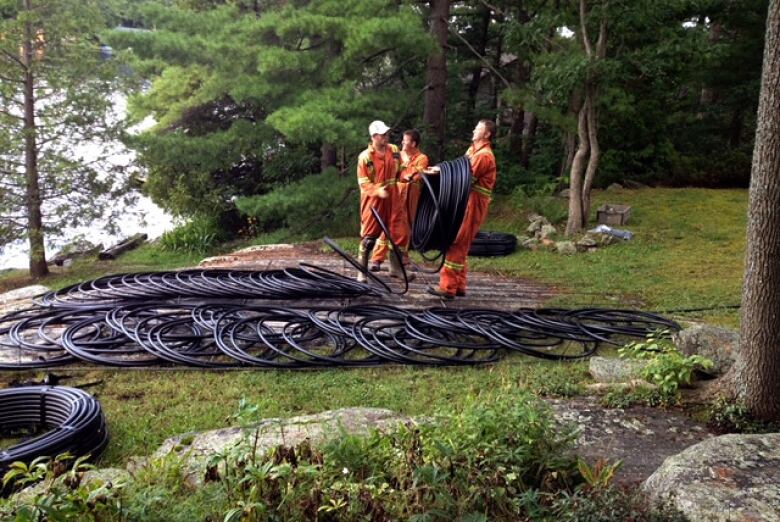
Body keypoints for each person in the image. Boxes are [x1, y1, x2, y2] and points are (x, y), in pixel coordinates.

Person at [427, 119, 497, 299]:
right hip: (468, 201)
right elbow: (458, 168)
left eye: (478, 128)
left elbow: (463, 177)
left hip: (474, 203)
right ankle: (459, 286)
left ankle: (447, 287)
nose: (474, 130)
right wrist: (438, 170)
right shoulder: (473, 151)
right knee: (462, 243)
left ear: (487, 134)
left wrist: (438, 173)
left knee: (457, 241)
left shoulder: (484, 156)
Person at [370, 129, 429, 277]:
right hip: (396, 194)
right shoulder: (398, 154)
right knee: (386, 226)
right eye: (402, 139)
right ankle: (377, 259)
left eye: (406, 140)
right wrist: (405, 174)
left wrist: (409, 175)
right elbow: (397, 171)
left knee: (406, 227)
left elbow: (416, 174)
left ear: (413, 143)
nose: (402, 142)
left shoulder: (422, 158)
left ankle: (402, 260)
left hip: (411, 197)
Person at [355, 120, 400, 282]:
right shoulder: (365, 158)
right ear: (374, 136)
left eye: (387, 134)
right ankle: (362, 271)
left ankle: (396, 269)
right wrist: (377, 191)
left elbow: (400, 169)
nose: (386, 137)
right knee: (369, 238)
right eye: (383, 135)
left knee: (396, 234)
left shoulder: (394, 150)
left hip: (392, 199)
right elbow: (363, 183)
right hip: (373, 202)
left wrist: (413, 175)